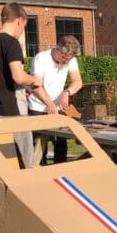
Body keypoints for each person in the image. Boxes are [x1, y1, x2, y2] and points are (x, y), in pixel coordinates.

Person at [0, 2, 38, 168]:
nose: (22, 32)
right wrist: (33, 80)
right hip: (15, 112)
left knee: (3, 164)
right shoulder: (12, 43)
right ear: (19, 20)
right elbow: (18, 76)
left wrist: (19, 90)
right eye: (23, 27)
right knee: (27, 164)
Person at [28, 35, 83, 164]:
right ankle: (39, 172)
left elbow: (78, 81)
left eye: (68, 60)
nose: (65, 62)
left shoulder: (71, 59)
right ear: (58, 48)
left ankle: (61, 172)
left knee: (61, 143)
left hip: (57, 108)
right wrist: (48, 103)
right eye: (64, 58)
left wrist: (67, 92)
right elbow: (36, 85)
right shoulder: (41, 58)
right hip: (38, 107)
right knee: (40, 146)